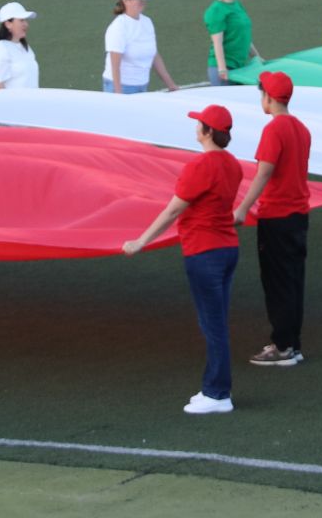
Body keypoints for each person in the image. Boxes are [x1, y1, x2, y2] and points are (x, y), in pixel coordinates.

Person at [123, 105, 244, 415]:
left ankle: (217, 393)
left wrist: (141, 241)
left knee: (213, 324)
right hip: (226, 247)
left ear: (206, 132)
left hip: (204, 251)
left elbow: (174, 209)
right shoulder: (233, 165)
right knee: (216, 321)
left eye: (199, 124)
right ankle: (215, 389)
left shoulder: (200, 167)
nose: (196, 128)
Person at [233, 71, 311, 367]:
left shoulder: (274, 130)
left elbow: (264, 171)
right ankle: (292, 342)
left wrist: (242, 208)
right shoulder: (301, 128)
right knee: (293, 280)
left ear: (268, 97)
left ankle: (282, 346)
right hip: (298, 214)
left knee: (277, 282)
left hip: (276, 216)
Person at [104, 0, 178, 95]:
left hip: (142, 86)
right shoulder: (119, 27)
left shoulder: (147, 21)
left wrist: (171, 84)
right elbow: (115, 65)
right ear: (126, 0)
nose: (143, 2)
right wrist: (118, 95)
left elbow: (154, 54)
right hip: (122, 88)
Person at [204, 0, 259, 87]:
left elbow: (244, 36)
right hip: (225, 70)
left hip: (240, 67)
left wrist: (257, 57)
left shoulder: (237, 5)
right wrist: (222, 68)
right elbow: (217, 42)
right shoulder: (215, 11)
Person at [0, 2, 40, 90]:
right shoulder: (1, 49)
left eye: (25, 20)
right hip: (14, 104)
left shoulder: (25, 48)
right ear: (8, 24)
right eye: (21, 20)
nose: (26, 24)